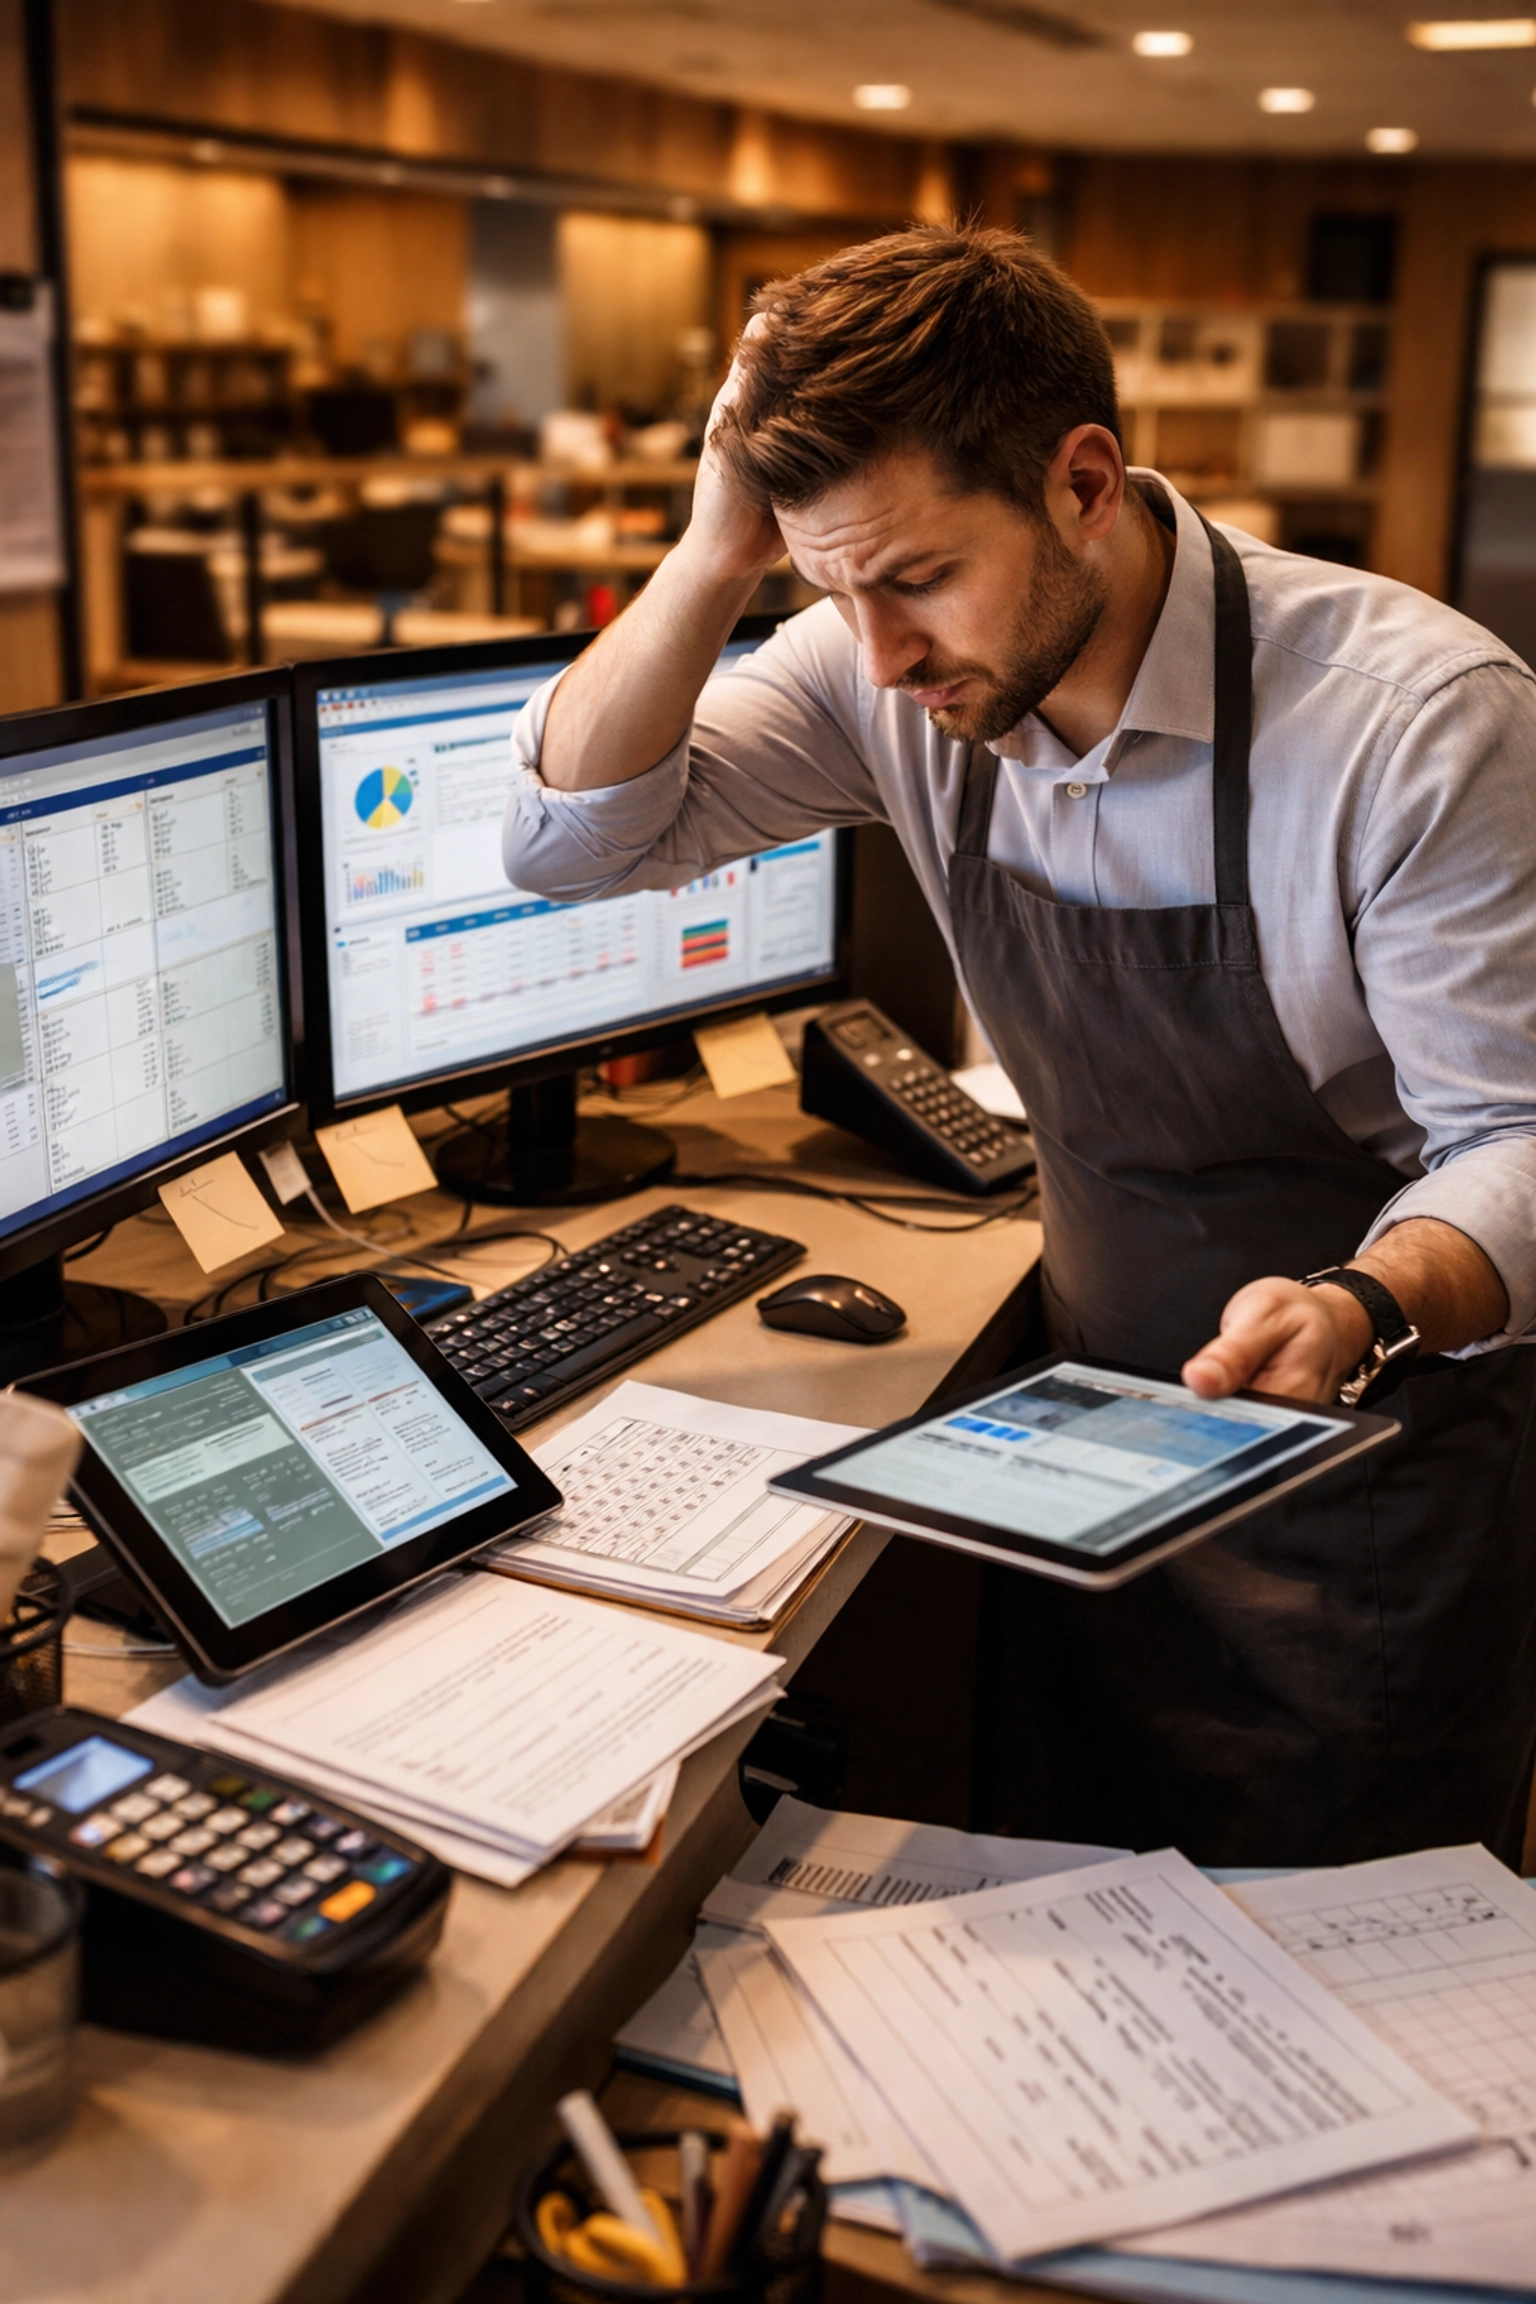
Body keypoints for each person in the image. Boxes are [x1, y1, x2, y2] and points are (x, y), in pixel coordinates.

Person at [502, 225, 1536, 1867]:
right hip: (1075, 1449)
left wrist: (1362, 1301)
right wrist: (712, 558)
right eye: (833, 587)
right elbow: (571, 844)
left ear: (1082, 482)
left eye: (917, 577)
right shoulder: (875, 665)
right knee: (1080, 1907)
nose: (886, 652)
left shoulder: (1410, 721)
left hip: (1361, 1471)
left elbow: (1519, 1141)